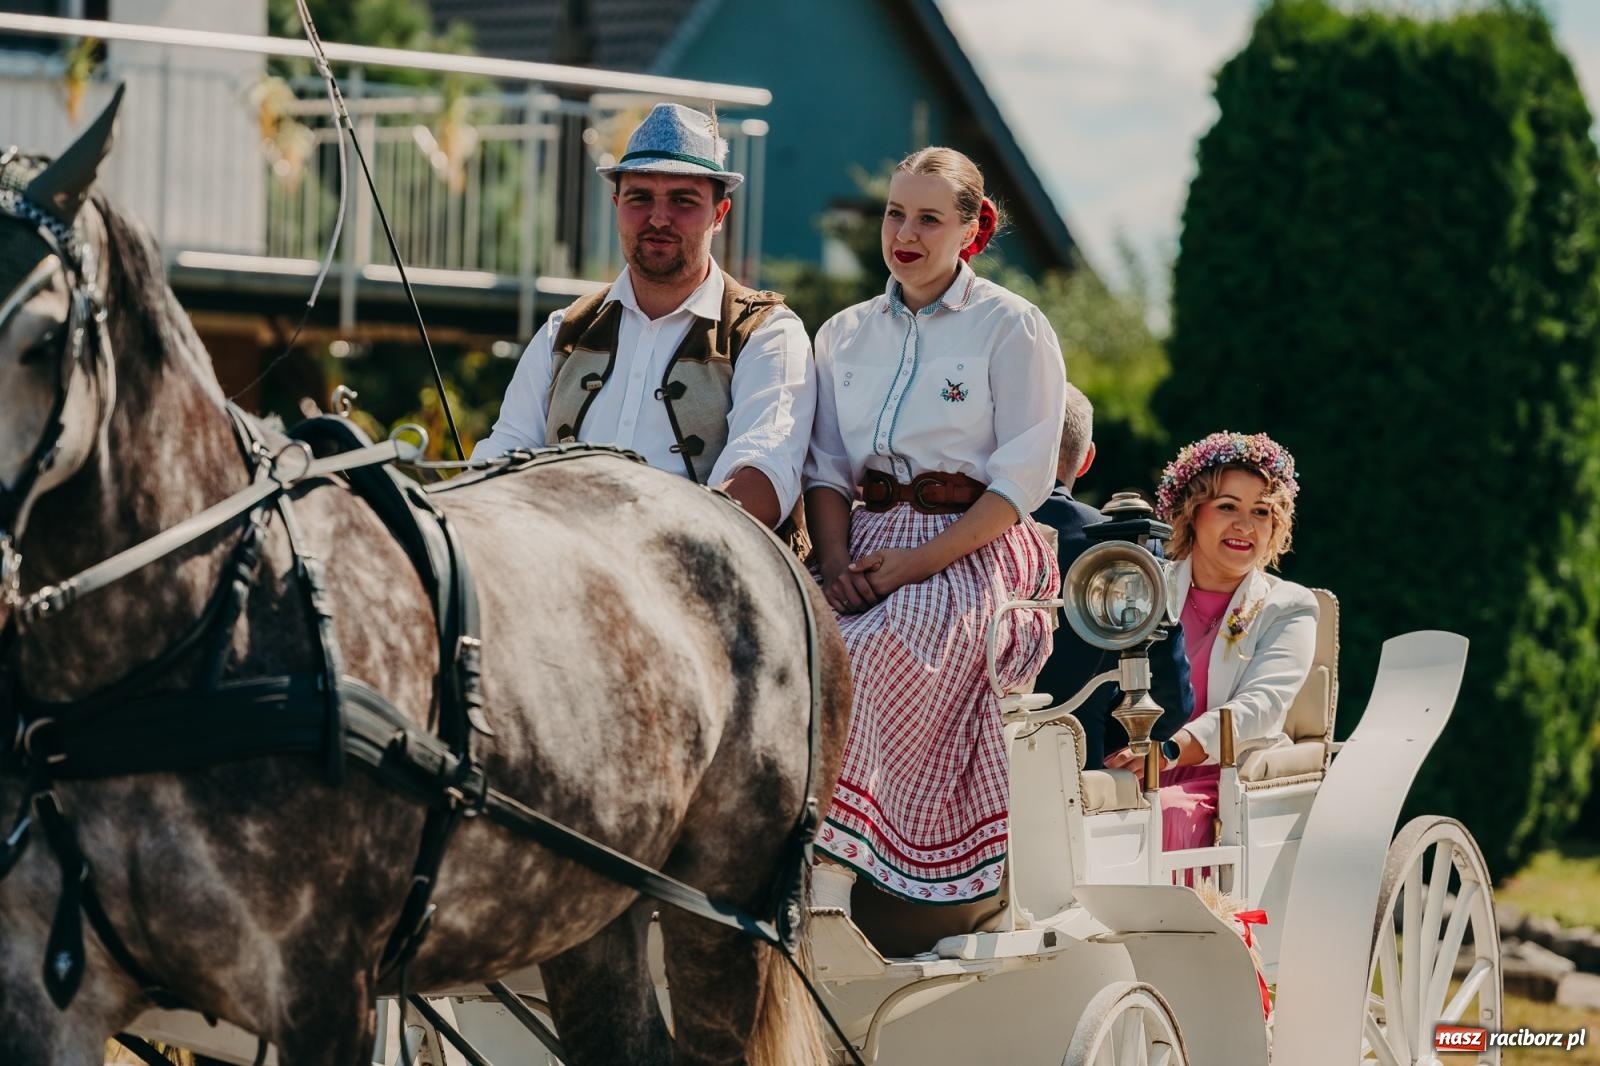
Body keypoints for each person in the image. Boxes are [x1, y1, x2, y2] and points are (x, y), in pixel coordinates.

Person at [803, 146, 1066, 934]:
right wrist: (836, 563)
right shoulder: (843, 333)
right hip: (855, 540)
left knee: (870, 651)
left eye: (927, 218)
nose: (905, 234)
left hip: (972, 548)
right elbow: (825, 467)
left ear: (970, 230)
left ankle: (829, 887)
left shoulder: (1011, 326)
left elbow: (1021, 481)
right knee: (779, 647)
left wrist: (909, 567)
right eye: (894, 214)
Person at [473, 103, 814, 535]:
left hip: (695, 567)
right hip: (559, 560)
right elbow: (504, 454)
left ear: (719, 214)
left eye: (683, 200)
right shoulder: (563, 331)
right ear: (617, 204)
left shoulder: (766, 333)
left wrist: (647, 546)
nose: (658, 218)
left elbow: (764, 477)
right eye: (640, 198)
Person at [1103, 432, 1318, 851]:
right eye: (1227, 506)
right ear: (1192, 512)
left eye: (1261, 512)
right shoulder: (1142, 588)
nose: (1245, 526)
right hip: (1128, 768)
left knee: (1164, 813)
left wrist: (1169, 751)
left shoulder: (1288, 606)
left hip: (1225, 780)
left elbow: (1262, 705)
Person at [1030, 385, 1193, 768]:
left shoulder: (938, 535)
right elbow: (1169, 702)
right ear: (1086, 460)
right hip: (1076, 770)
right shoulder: (1127, 545)